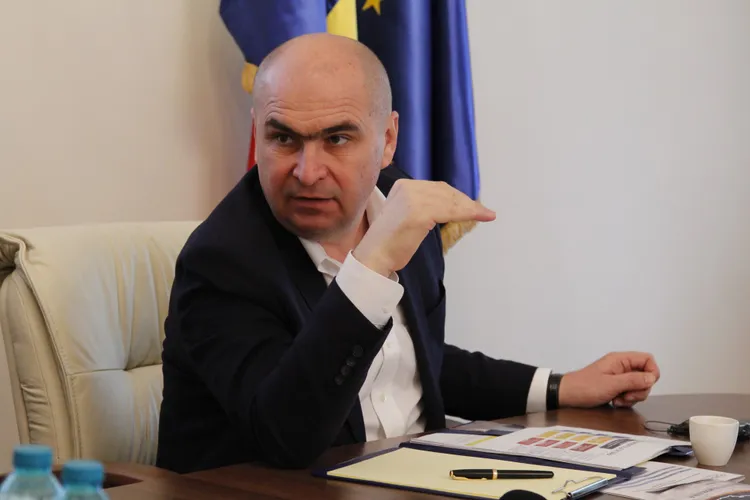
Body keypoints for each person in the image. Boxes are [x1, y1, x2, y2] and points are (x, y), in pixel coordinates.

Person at [155, 33, 660, 474]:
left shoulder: (401, 205)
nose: (307, 172)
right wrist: (371, 266)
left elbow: (415, 362)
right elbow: (287, 434)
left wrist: (560, 387)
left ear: (388, 139)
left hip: (418, 478)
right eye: (283, 138)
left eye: (337, 138)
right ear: (258, 131)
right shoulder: (222, 261)